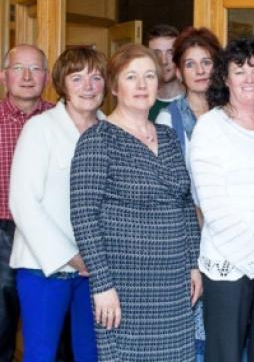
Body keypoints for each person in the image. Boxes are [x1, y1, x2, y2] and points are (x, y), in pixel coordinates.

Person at [70, 44, 201, 361]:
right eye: (132, 77)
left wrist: (194, 264)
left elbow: (184, 205)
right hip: (124, 286)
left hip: (174, 284)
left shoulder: (168, 137)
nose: (142, 85)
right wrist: (102, 286)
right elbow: (83, 215)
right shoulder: (97, 139)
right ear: (115, 86)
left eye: (149, 76)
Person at [190, 36, 254, 362]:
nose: (249, 79)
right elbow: (214, 208)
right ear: (225, 77)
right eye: (239, 70)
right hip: (229, 262)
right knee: (225, 355)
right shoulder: (210, 127)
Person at [9, 47, 105, 362]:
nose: (88, 86)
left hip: (98, 269)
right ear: (61, 84)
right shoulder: (40, 128)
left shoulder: (112, 131)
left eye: (96, 77)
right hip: (45, 268)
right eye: (77, 78)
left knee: (92, 354)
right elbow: (22, 202)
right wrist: (74, 258)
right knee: (41, 354)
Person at [155, 26, 222, 362]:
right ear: (179, 71)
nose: (199, 71)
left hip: (233, 236)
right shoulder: (169, 119)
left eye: (206, 63)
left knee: (229, 330)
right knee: (195, 334)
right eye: (191, 64)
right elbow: (170, 187)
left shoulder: (234, 114)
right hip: (191, 237)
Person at [0, 44, 53, 361]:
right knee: (2, 320)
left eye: (35, 69)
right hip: (2, 230)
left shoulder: (59, 119)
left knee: (51, 325)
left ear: (46, 77)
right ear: (4, 75)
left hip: (50, 233)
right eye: (19, 68)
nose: (27, 76)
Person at [147, 24, 184, 121]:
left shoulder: (193, 102)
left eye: (170, 52)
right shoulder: (141, 103)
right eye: (156, 53)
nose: (163, 61)